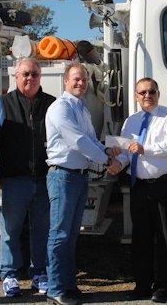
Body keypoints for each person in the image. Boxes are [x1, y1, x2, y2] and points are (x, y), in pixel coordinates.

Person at [45, 62, 121, 305]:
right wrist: (107, 160)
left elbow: (90, 140)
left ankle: (68, 285)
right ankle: (55, 289)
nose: (80, 83)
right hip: (63, 176)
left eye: (84, 79)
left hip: (78, 176)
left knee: (71, 236)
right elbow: (77, 141)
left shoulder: (83, 109)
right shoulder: (60, 108)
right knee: (59, 235)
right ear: (65, 81)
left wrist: (106, 149)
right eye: (76, 79)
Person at [114, 77, 167, 303]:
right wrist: (117, 163)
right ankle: (142, 284)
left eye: (151, 91)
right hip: (139, 187)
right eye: (142, 92)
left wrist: (146, 149)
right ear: (136, 96)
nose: (147, 96)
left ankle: (162, 287)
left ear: (158, 93)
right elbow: (126, 151)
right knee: (140, 238)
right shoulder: (130, 121)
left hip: (164, 185)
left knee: (164, 238)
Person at [0, 58, 56, 297]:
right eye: (26, 74)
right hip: (14, 179)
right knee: (10, 231)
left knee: (42, 230)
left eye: (35, 75)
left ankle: (39, 274)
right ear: (16, 77)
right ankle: (9, 275)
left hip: (44, 179)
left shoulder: (52, 104)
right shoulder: (3, 104)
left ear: (40, 78)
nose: (30, 79)